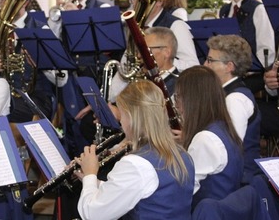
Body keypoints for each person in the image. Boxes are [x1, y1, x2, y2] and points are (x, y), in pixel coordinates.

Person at [76, 80, 195, 220]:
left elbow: (92, 214)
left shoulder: (136, 164)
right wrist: (92, 182)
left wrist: (90, 173)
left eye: (122, 115)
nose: (121, 122)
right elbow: (137, 189)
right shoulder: (183, 154)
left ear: (132, 117)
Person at [0, 0, 65, 123]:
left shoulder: (41, 30)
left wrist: (42, 63)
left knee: (2, 112)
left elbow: (62, 79)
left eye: (8, 0)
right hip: (4, 95)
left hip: (35, 99)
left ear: (25, 2)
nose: (3, 5)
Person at [174, 66, 243, 209]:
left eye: (178, 97)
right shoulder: (223, 126)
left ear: (192, 100)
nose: (177, 106)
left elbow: (184, 191)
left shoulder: (205, 140)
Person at [204, 35, 261, 184]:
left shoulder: (235, 100)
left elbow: (229, 146)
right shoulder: (225, 93)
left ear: (229, 66)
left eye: (210, 60)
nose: (205, 64)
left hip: (238, 180)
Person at [218, 0, 276, 75]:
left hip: (251, 72)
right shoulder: (224, 10)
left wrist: (257, 68)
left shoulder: (257, 9)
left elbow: (266, 46)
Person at [107, 26, 180, 103]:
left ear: (166, 52)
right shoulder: (143, 81)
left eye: (144, 50)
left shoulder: (180, 87)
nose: (138, 55)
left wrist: (119, 115)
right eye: (138, 50)